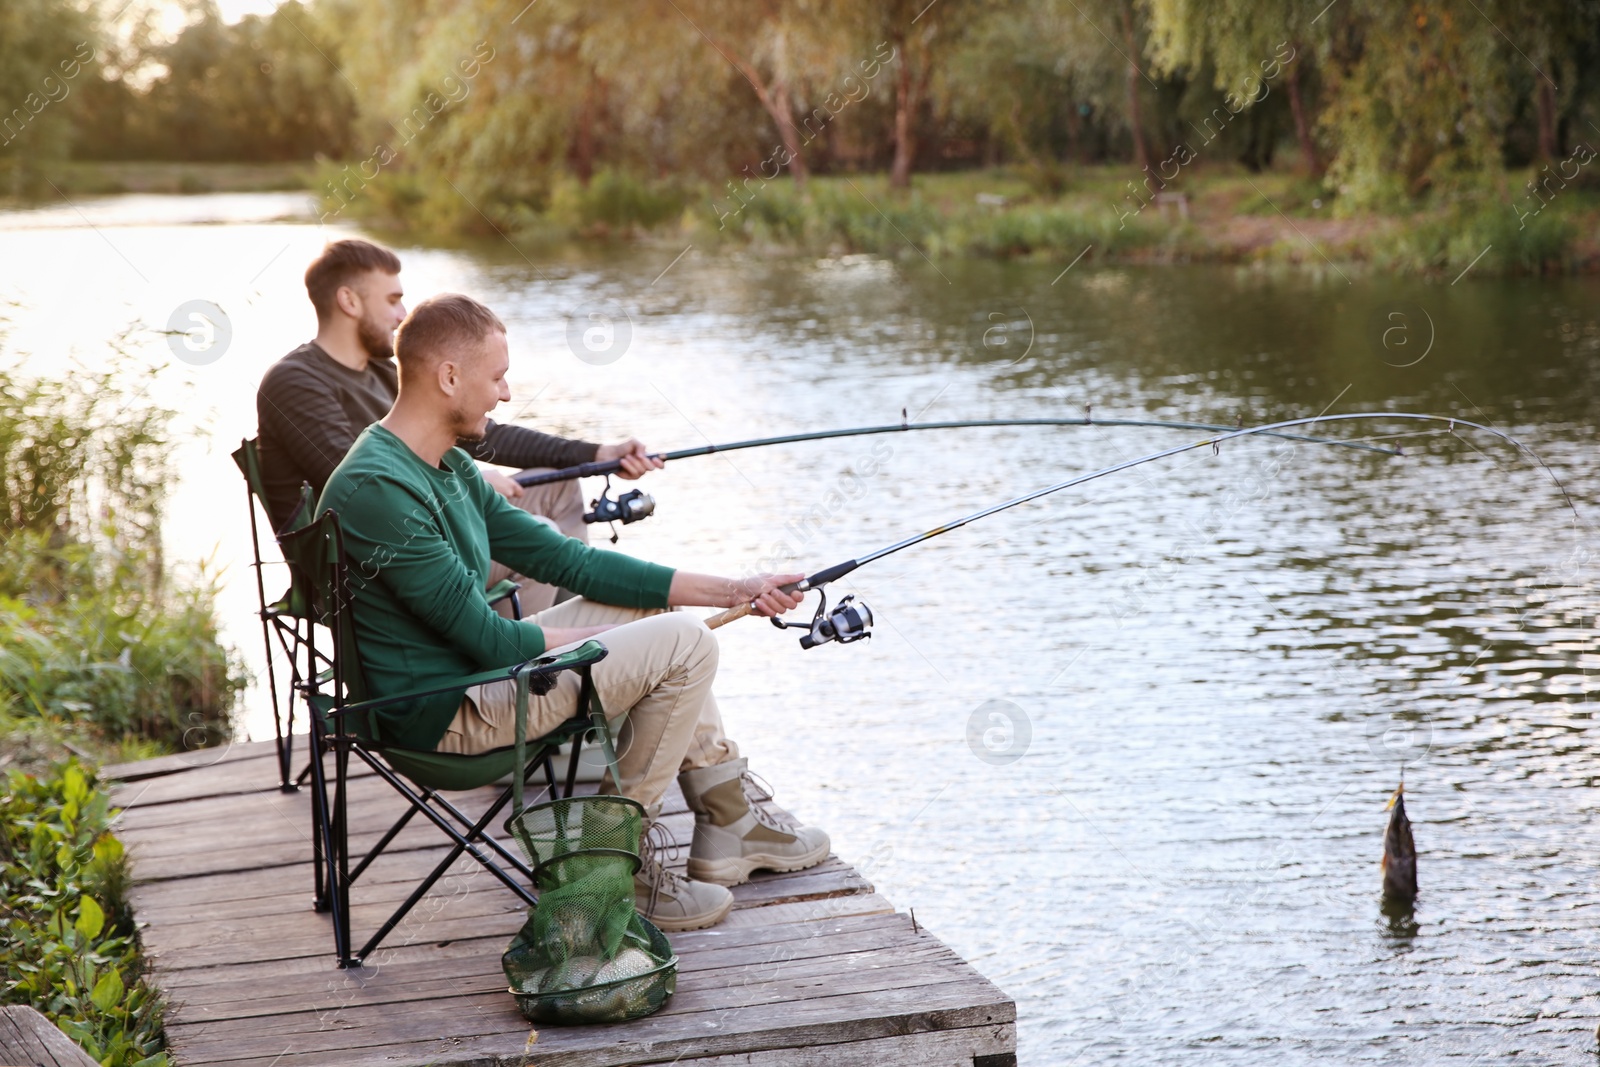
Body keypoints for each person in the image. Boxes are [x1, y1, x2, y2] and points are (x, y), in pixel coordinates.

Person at [317, 293, 831, 932]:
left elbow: (573, 565)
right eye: (497, 376)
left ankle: (728, 824)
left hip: (473, 682)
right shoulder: (381, 489)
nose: (504, 395)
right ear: (448, 376)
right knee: (683, 644)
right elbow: (489, 640)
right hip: (448, 713)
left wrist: (736, 588)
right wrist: (620, 643)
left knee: (655, 615)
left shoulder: (444, 464)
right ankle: (615, 866)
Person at [256, 238, 660, 614]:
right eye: (393, 300)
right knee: (540, 533)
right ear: (348, 300)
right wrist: (475, 482)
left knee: (558, 483)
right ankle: (520, 671)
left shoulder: (381, 371)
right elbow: (354, 482)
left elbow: (485, 436)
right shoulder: (294, 381)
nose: (402, 315)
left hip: (431, 522)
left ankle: (570, 639)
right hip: (371, 567)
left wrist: (595, 454)